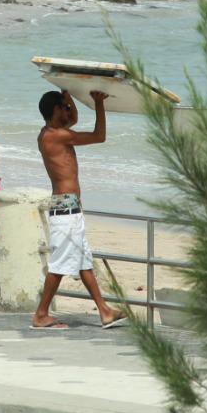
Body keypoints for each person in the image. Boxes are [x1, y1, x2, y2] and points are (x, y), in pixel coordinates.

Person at [30, 90, 124, 331]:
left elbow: (73, 119)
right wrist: (99, 103)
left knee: (83, 261)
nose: (68, 110)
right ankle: (41, 314)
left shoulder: (54, 132)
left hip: (70, 207)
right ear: (55, 111)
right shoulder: (55, 136)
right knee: (60, 264)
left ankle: (104, 311)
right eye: (64, 106)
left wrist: (67, 93)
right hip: (65, 209)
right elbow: (99, 136)